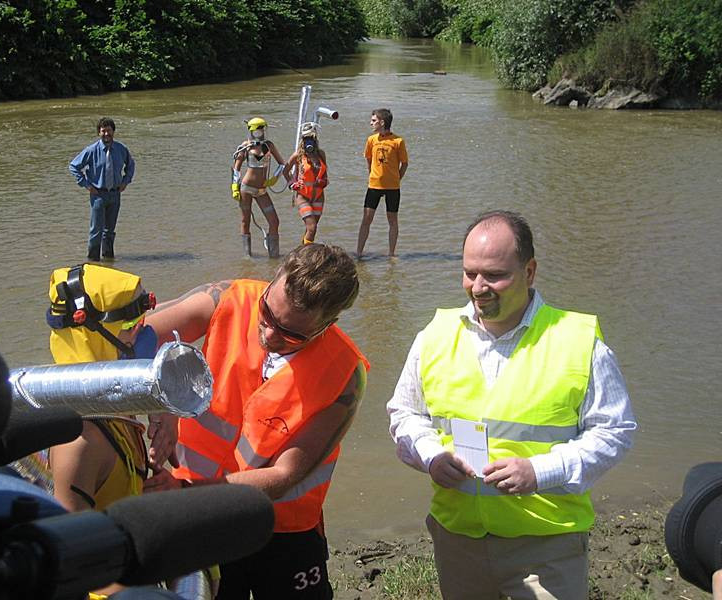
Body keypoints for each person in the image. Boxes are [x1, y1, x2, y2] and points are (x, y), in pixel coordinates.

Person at [387, 210, 637, 599]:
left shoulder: (578, 341)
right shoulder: (434, 335)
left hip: (545, 545)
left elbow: (614, 432)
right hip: (457, 540)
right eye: (470, 273)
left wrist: (540, 471)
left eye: (495, 275)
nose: (479, 286)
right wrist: (430, 456)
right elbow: (404, 413)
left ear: (530, 271)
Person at [144, 243, 369, 600]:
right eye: (267, 312)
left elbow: (283, 476)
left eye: (291, 333)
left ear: (329, 323)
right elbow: (136, 339)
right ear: (273, 278)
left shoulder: (344, 374)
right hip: (201, 514)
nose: (269, 333)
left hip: (283, 529)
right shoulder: (226, 299)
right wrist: (164, 404)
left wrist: (183, 494)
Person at [45, 263, 177, 598]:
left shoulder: (112, 406)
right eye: (131, 325)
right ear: (88, 334)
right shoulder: (78, 440)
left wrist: (161, 409)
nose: (143, 334)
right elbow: (74, 564)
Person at [69, 117, 135, 261]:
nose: (106, 134)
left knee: (109, 231)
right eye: (103, 131)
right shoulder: (91, 150)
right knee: (96, 231)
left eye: (109, 131)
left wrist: (125, 181)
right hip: (98, 195)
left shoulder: (121, 149)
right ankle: (93, 262)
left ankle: (108, 260)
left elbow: (131, 165)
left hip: (115, 194)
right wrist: (86, 184)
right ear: (99, 133)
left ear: (113, 132)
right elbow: (74, 166)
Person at [231, 117, 288, 258]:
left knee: (274, 221)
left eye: (261, 129)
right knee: (245, 221)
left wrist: (274, 179)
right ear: (250, 130)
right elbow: (236, 168)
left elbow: (282, 164)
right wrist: (234, 187)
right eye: (256, 129)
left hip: (262, 190)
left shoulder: (269, 145)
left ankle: (274, 256)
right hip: (246, 188)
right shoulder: (246, 146)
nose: (259, 132)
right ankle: (247, 256)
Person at [355, 108, 408, 259]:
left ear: (382, 122)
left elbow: (404, 163)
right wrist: (372, 175)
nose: (371, 123)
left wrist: (397, 178)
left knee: (392, 220)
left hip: (393, 187)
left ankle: (391, 254)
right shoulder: (371, 140)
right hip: (374, 186)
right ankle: (359, 252)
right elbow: (368, 159)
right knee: (366, 219)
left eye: (373, 121)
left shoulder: (398, 141)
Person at [285, 122, 329, 245]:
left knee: (311, 230)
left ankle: (302, 251)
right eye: (306, 138)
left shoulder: (321, 154)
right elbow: (285, 171)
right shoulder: (298, 155)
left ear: (315, 138)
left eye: (311, 138)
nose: (309, 141)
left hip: (319, 195)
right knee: (312, 227)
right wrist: (292, 184)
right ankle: (307, 256)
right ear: (302, 139)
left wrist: (324, 181)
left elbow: (325, 174)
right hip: (303, 196)